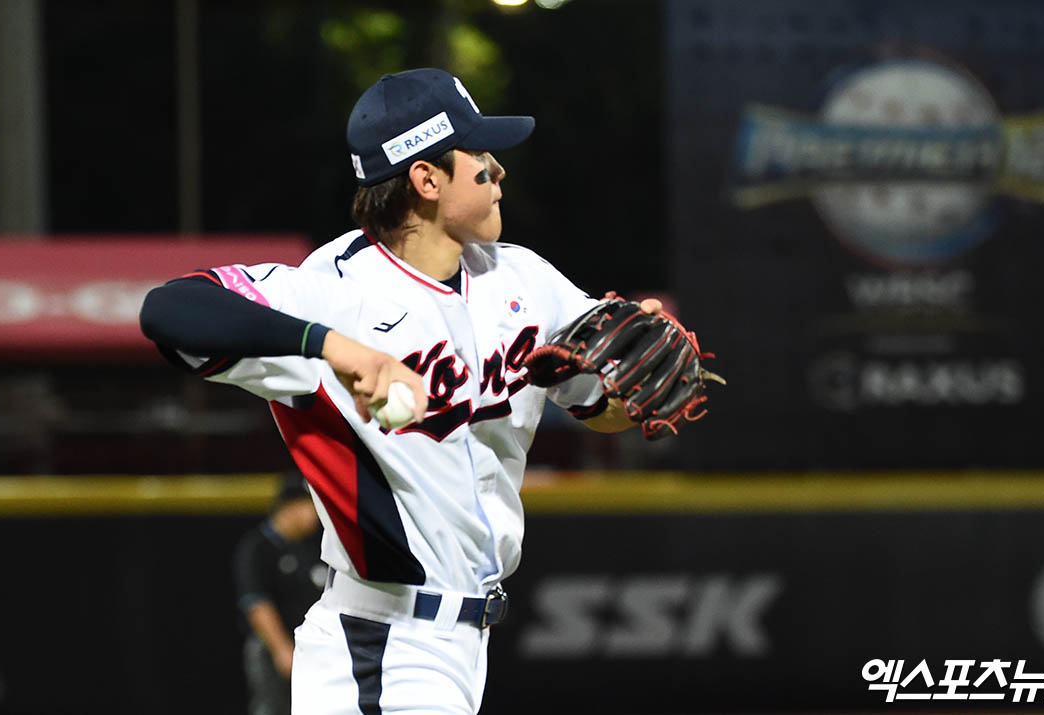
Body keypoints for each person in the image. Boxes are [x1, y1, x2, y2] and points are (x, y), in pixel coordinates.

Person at [139, 67, 663, 714]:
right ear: (426, 178)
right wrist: (332, 345)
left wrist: (628, 396)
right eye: (480, 156)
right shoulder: (333, 291)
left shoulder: (522, 281)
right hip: (380, 641)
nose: (497, 170)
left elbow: (600, 410)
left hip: (464, 642)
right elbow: (169, 309)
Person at [234, 471, 326, 715]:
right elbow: (257, 603)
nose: (316, 514)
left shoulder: (315, 545)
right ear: (290, 505)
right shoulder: (258, 547)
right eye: (310, 505)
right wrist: (282, 650)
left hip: (313, 647)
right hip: (273, 647)